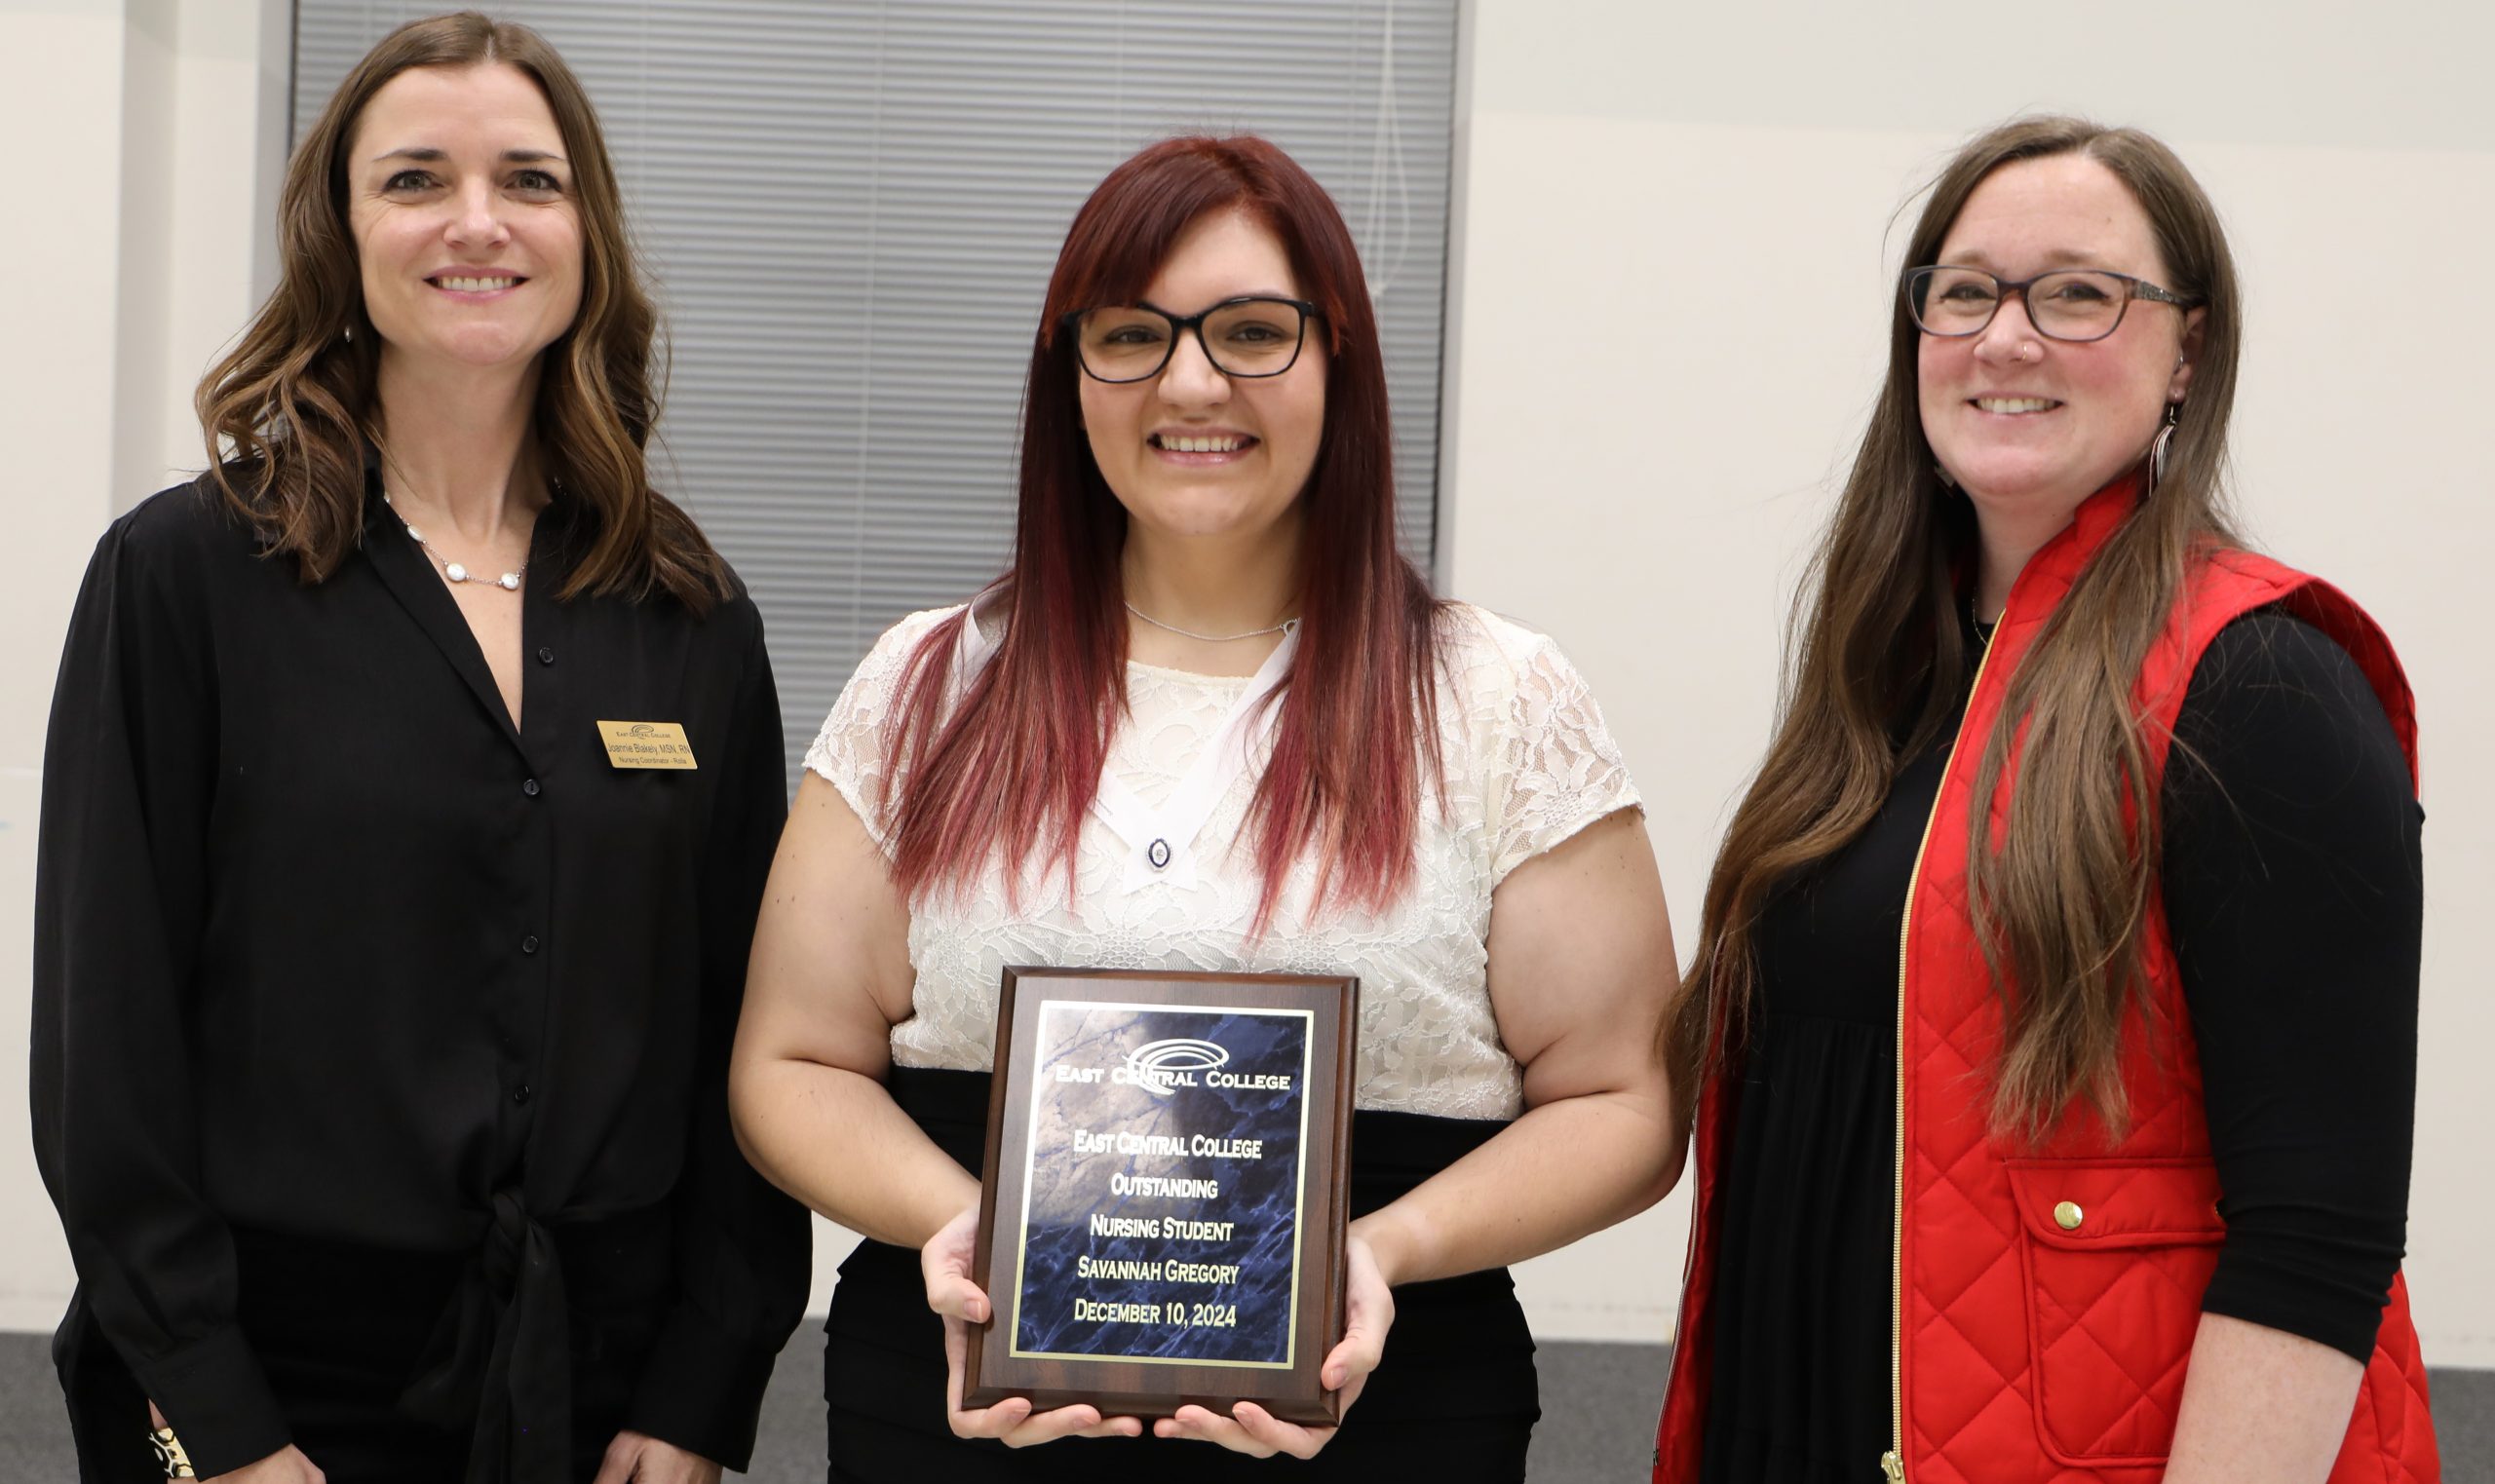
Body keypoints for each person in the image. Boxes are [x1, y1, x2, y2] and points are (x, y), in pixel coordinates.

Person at [728, 133, 1682, 1482]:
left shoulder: (1498, 701)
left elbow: (1624, 1100)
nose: (1190, 380)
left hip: (1383, 1409)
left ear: (1338, 359)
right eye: (1132, 333)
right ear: (1071, 375)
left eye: (1250, 331)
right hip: (961, 1397)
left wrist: (1378, 1251)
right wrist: (974, 1230)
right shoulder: (931, 684)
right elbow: (791, 1062)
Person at [30, 14, 810, 1483]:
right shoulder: (186, 579)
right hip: (273, 1385)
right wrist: (221, 1420)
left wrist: (705, 1381)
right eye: (414, 180)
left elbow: (745, 1033)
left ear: (586, 231)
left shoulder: (687, 612)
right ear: (340, 229)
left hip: (601, 1390)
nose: (476, 222)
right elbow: (106, 1049)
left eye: (529, 178)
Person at [1649, 116, 2439, 1483]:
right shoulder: (1885, 682)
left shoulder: (2263, 687)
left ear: (2188, 351)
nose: (2006, 339)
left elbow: (2321, 1236)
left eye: (2078, 292)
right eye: (1964, 292)